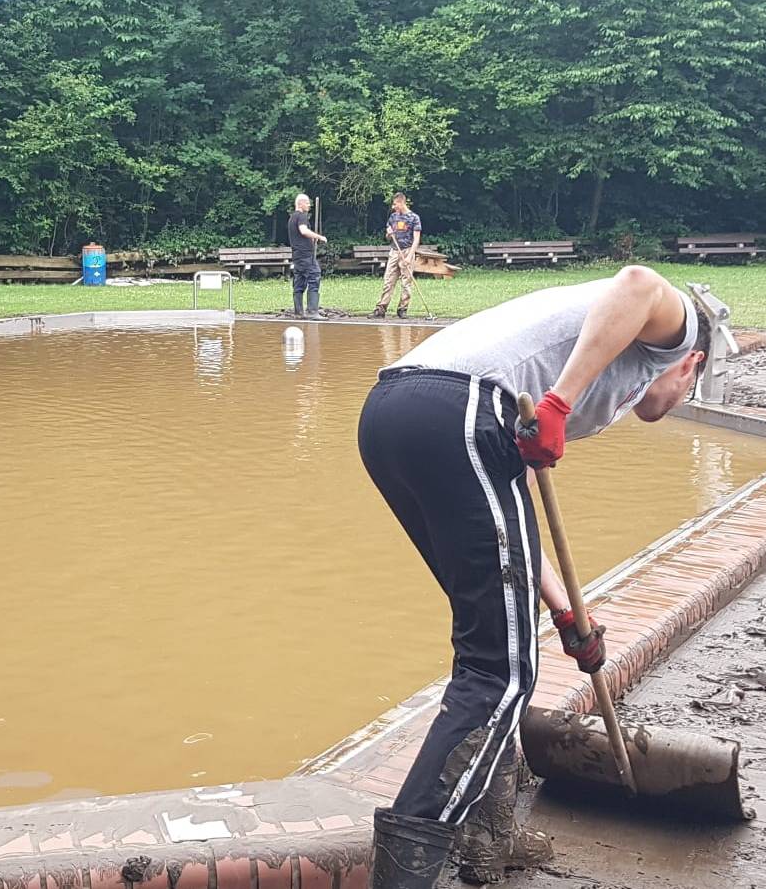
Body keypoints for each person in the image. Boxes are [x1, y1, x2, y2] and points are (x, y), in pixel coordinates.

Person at [355, 264, 719, 889]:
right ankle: (406, 874)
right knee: (502, 670)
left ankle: (488, 834)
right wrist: (558, 402)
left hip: (395, 414)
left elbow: (510, 508)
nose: (674, 404)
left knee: (490, 650)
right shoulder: (678, 334)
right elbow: (636, 282)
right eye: (691, 391)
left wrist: (566, 612)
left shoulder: (587, 369)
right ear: (691, 366)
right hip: (459, 411)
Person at [373, 193, 421, 318]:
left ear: (401, 203)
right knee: (388, 280)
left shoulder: (414, 218)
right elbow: (388, 237)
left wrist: (410, 256)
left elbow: (416, 239)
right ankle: (381, 309)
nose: (393, 207)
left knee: (406, 282)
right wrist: (389, 233)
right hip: (394, 251)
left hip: (407, 250)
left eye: (395, 204)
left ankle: (402, 309)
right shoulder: (393, 217)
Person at [289, 193, 327, 318]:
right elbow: (303, 231)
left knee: (299, 283)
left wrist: (312, 240)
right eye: (307, 203)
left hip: (297, 256)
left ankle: (299, 312)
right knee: (314, 277)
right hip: (306, 255)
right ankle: (312, 311)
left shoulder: (292, 218)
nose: (309, 205)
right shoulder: (301, 216)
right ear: (300, 203)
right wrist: (319, 237)